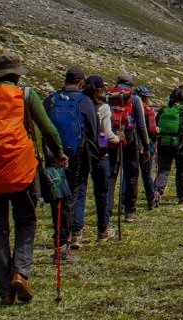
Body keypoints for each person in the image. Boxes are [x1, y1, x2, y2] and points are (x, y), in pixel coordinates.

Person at [0, 52, 66, 305]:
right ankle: (20, 272)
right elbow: (48, 129)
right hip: (19, 168)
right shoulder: (24, 95)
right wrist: (60, 154)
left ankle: (5, 292)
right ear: (17, 74)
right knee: (25, 221)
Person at [45, 67, 96, 258]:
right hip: (77, 158)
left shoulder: (50, 100)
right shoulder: (84, 102)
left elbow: (44, 128)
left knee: (57, 199)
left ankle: (60, 240)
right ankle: (71, 238)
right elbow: (93, 130)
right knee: (73, 196)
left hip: (53, 158)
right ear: (82, 83)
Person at [73, 76, 117, 245]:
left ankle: (76, 234)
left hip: (81, 152)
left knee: (80, 192)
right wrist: (118, 139)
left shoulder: (80, 104)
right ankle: (102, 230)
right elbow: (106, 132)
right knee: (101, 192)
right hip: (100, 153)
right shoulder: (103, 107)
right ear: (100, 89)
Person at [107, 73, 150, 223]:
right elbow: (141, 125)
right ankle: (130, 212)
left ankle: (107, 211)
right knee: (131, 175)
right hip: (130, 141)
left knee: (111, 175)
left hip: (112, 140)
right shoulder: (135, 99)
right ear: (131, 85)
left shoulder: (108, 96)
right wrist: (146, 146)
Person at [151, 85, 183, 206]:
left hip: (164, 144)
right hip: (181, 146)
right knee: (181, 171)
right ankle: (182, 197)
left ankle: (156, 192)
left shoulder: (163, 110)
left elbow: (155, 126)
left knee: (163, 170)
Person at [133, 86, 158, 211]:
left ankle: (125, 201)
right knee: (147, 173)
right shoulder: (148, 110)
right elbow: (152, 129)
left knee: (130, 175)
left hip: (132, 144)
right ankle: (151, 199)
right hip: (147, 144)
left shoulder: (130, 108)